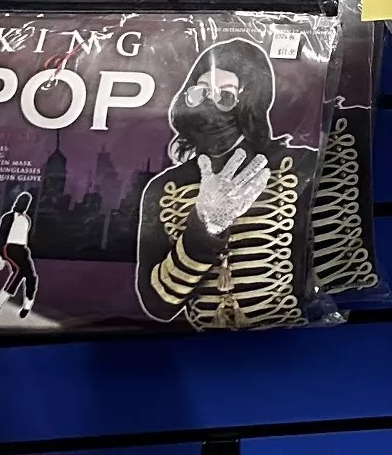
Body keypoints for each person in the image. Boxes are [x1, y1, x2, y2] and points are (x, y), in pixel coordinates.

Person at [135, 40, 315, 331]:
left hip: (289, 338)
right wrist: (203, 229)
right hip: (199, 346)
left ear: (250, 100)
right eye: (201, 92)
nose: (209, 107)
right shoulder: (166, 187)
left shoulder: (299, 165)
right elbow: (157, 304)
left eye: (226, 96)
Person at [0, 189, 39, 320]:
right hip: (9, 247)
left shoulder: (27, 219)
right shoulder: (8, 217)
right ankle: (0, 300)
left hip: (22, 249)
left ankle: (28, 303)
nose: (22, 205)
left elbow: (26, 237)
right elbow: (1, 236)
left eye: (25, 203)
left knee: (30, 276)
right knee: (19, 271)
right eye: (21, 202)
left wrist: (28, 250)